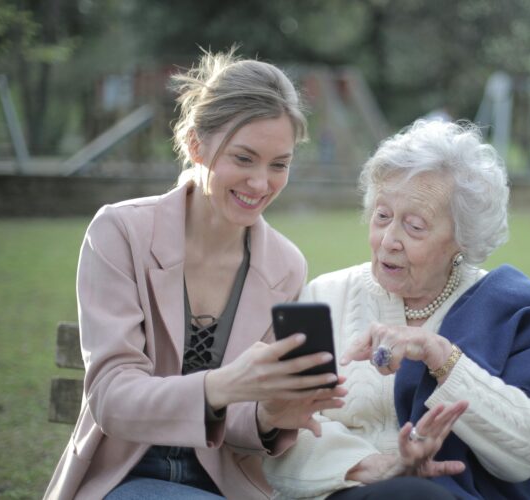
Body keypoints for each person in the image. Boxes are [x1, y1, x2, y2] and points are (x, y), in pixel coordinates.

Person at [45, 49, 347, 500]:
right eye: (243, 158)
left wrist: (270, 414)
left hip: (225, 485)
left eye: (278, 164)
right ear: (195, 144)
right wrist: (223, 384)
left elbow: (242, 424)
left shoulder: (286, 264)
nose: (261, 183)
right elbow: (110, 396)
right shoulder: (120, 231)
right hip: (123, 476)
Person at [263, 119, 530, 499]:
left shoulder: (517, 309)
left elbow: (529, 451)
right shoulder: (326, 295)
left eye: (414, 226)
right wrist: (372, 466)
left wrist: (441, 355)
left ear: (463, 237)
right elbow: (281, 427)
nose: (388, 240)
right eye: (382, 216)